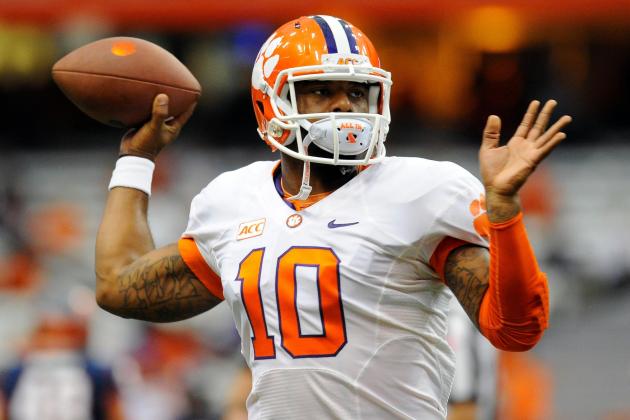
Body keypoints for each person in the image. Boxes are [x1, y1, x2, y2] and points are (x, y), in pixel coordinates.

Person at [94, 15, 571, 419]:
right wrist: (137, 159)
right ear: (270, 104)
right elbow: (119, 286)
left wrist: (504, 212)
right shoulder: (233, 201)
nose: (345, 105)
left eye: (358, 92)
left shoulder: (420, 192)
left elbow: (516, 329)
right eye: (320, 90)